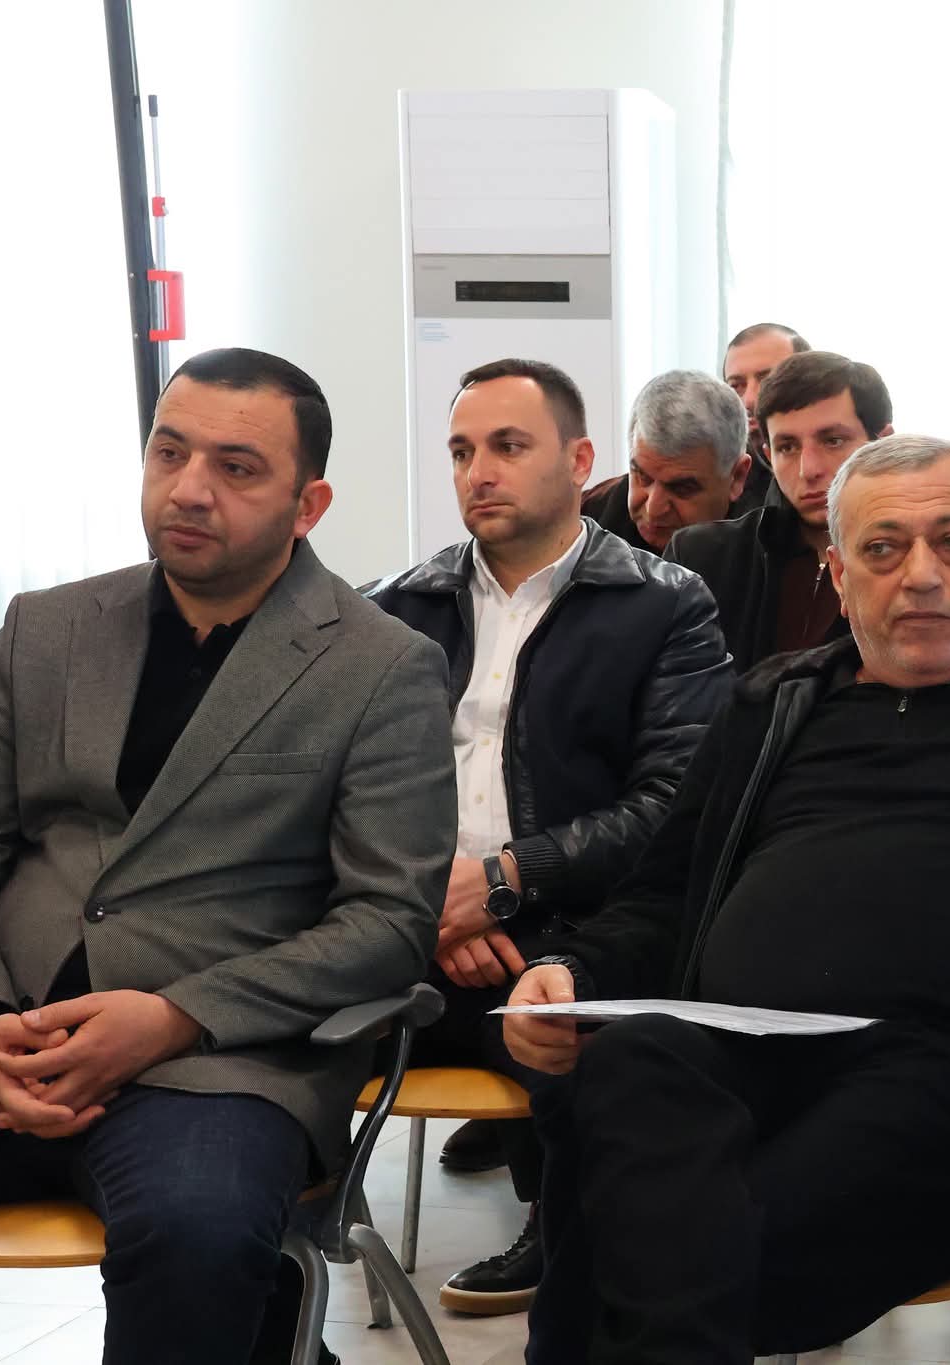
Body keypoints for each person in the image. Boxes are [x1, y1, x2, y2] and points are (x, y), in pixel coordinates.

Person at [505, 435, 950, 1363]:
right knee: (629, 1060)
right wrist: (569, 971)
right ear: (841, 574)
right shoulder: (768, 704)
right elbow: (664, 899)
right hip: (739, 1047)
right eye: (883, 549)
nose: (920, 574)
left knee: (640, 1238)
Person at [0, 348, 455, 1365]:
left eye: (236, 467)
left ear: (308, 505)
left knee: (197, 1237)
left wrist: (172, 1015)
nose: (189, 489)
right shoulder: (46, 630)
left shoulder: (381, 666)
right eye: (169, 453)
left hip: (217, 1069)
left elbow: (389, 924)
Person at [368, 358, 732, 1315]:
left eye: (507, 445)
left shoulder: (666, 604)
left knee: (588, 1047)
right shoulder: (394, 608)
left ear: (579, 461)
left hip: (571, 929)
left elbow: (673, 804)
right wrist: (430, 905)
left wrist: (504, 879)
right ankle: (271, 1280)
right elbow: (338, 801)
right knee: (252, 1034)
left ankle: (562, 1241)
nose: (478, 471)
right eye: (461, 451)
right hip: (405, 931)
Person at [665, 350, 892, 669]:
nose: (808, 469)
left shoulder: (916, 563)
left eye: (832, 441)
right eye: (788, 447)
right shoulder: (702, 556)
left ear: (882, 444)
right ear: (769, 456)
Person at [579, 369, 757, 553]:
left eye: (681, 488)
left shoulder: (766, 548)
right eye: (643, 477)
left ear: (737, 477)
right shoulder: (584, 523)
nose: (653, 509)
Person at [721, 320, 809, 466]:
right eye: (736, 386)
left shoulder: (845, 464)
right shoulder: (722, 471)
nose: (749, 400)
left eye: (768, 381)